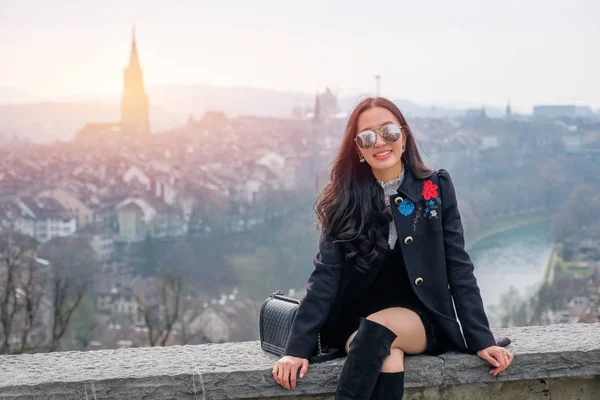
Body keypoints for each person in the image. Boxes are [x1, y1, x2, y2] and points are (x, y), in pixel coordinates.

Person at [272, 97, 513, 399]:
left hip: (419, 316)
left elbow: (458, 266)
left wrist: (481, 337)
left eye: (388, 132)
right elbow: (324, 278)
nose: (379, 142)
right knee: (386, 353)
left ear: (404, 136)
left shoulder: (434, 188)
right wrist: (296, 350)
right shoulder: (342, 200)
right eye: (367, 137)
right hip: (355, 322)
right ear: (358, 149)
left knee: (379, 328)